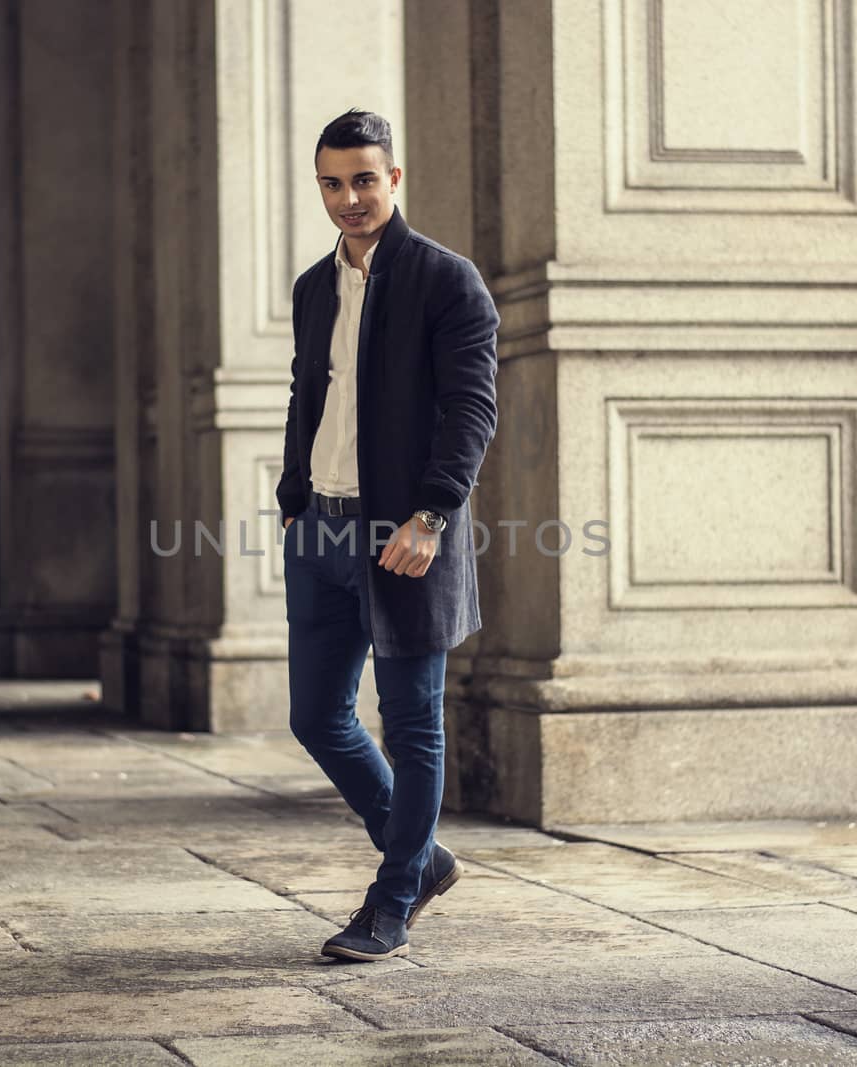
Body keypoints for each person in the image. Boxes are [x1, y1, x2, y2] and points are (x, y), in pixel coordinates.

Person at [276, 110, 498, 962]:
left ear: (394, 179)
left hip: (406, 533)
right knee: (316, 716)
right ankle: (423, 856)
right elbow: (308, 397)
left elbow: (472, 410)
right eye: (332, 183)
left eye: (364, 179)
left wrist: (432, 515)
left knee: (411, 725)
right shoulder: (311, 288)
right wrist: (292, 494)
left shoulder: (449, 281)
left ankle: (392, 897)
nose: (349, 198)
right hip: (319, 531)